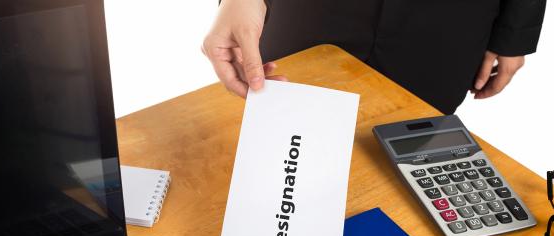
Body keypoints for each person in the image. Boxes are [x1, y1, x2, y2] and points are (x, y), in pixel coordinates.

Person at [202, 0, 547, 114]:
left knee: (408, 165)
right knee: (278, 140)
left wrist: (515, 29)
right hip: (311, 13)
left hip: (447, 21)